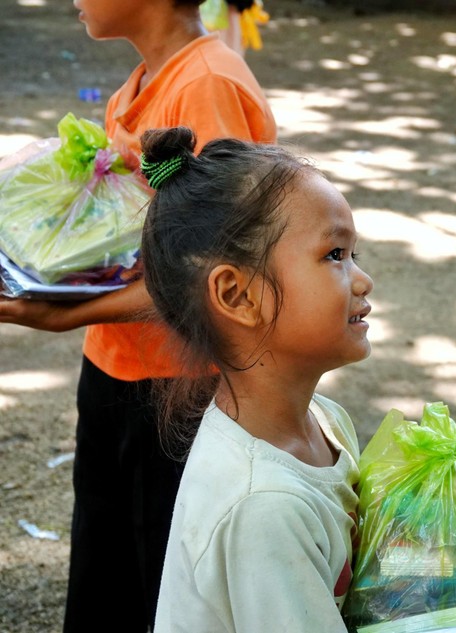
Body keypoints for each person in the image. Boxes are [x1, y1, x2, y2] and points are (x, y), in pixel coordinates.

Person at [0, 1, 276, 630]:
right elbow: (136, 244)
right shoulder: (142, 83)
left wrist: (63, 315)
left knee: (163, 582)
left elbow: (216, 271)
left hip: (180, 387)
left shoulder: (207, 84)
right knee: (105, 568)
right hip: (116, 367)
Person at [137, 127, 372, 632]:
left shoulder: (325, 423)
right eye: (334, 255)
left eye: (354, 254)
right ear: (237, 295)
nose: (362, 279)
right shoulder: (263, 505)